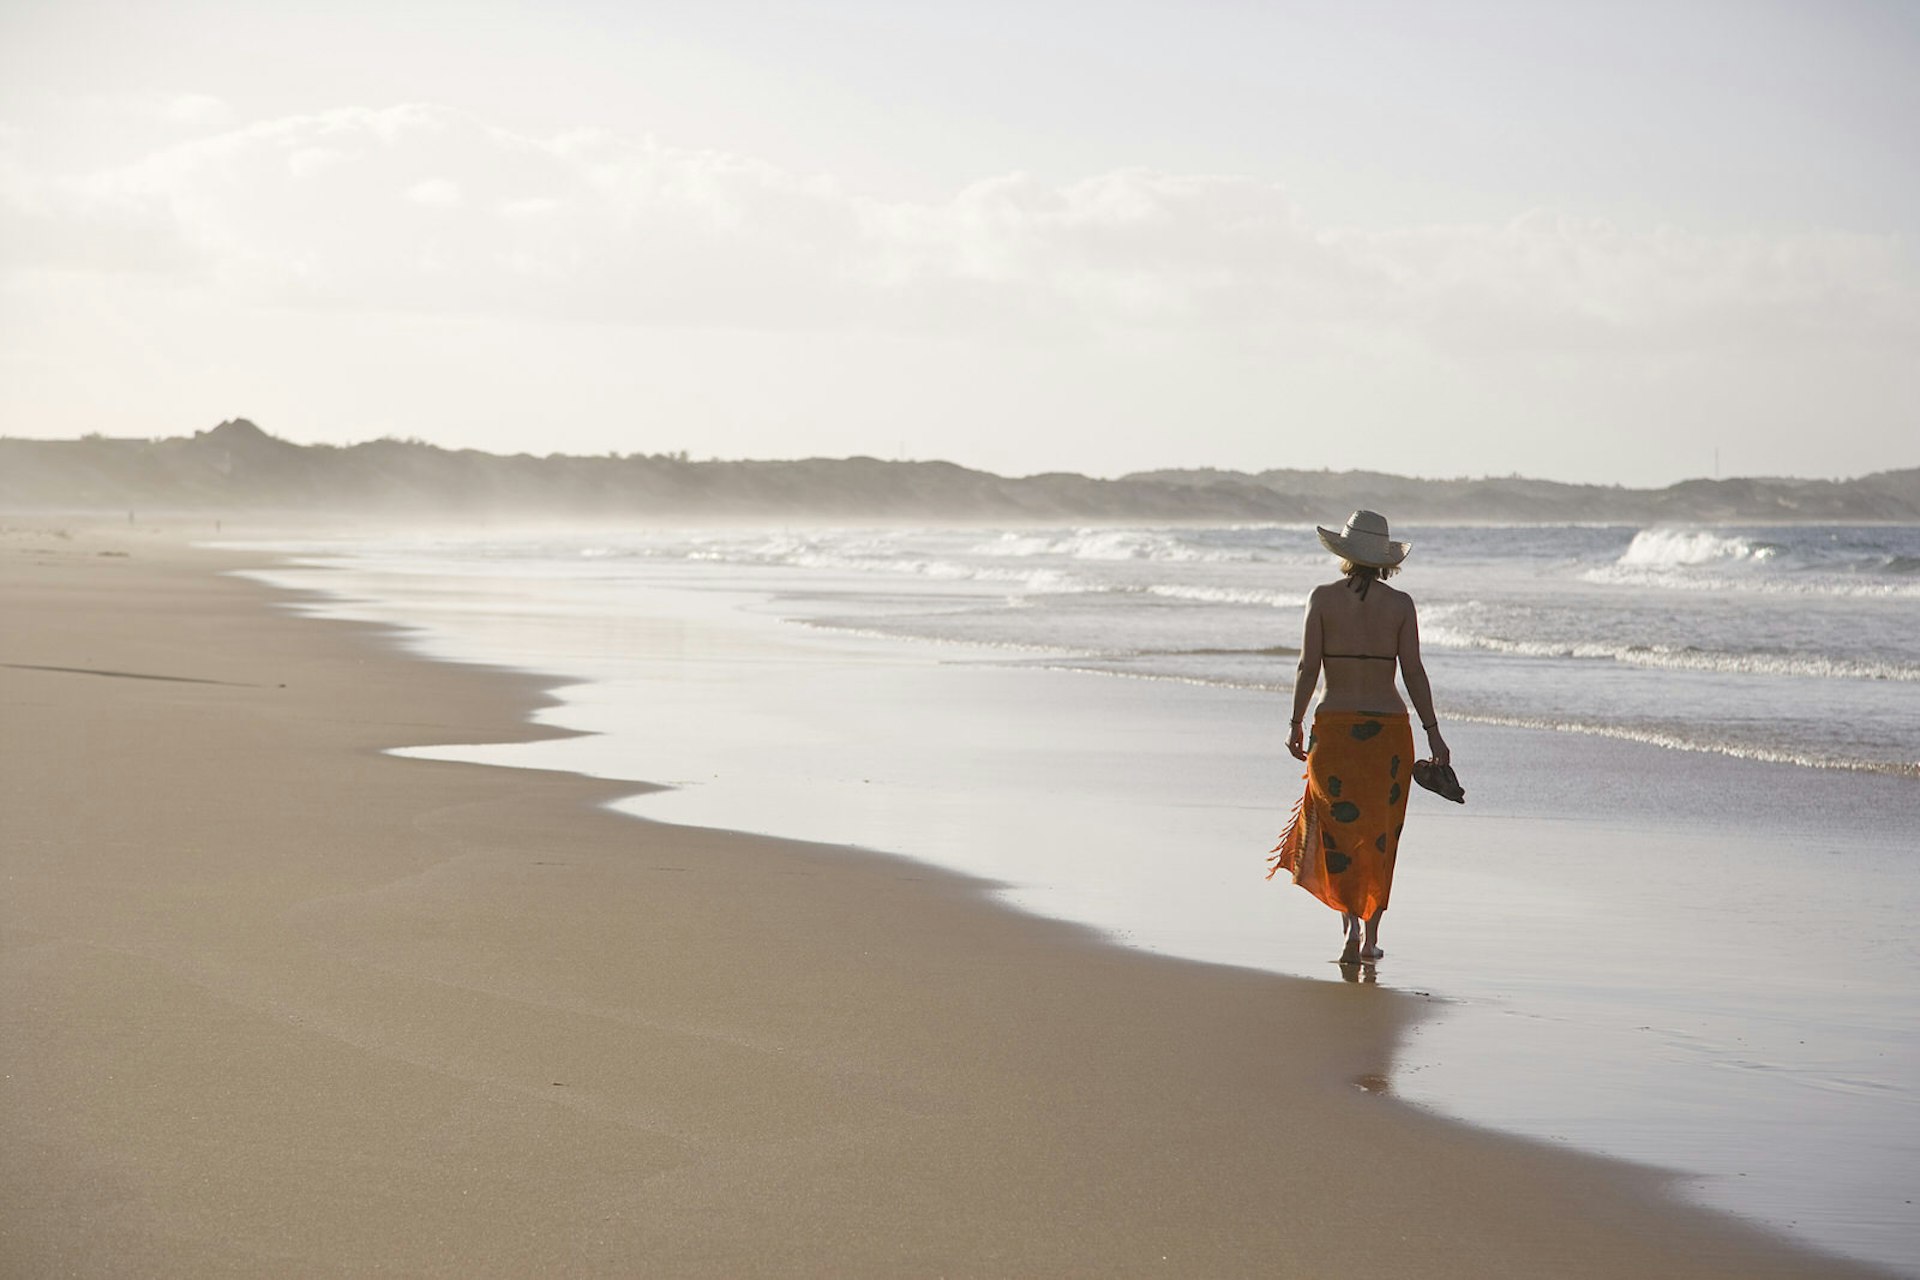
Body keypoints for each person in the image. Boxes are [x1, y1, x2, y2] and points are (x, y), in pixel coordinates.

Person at [1268, 510, 1449, 965]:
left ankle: (1348, 926)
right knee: (1380, 836)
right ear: (1386, 560)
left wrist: (1295, 721)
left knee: (1339, 831)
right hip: (1388, 733)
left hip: (1334, 729)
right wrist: (1434, 733)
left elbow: (1307, 667)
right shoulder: (1401, 605)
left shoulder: (1322, 599)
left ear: (1345, 554)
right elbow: (1413, 672)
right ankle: (1369, 937)